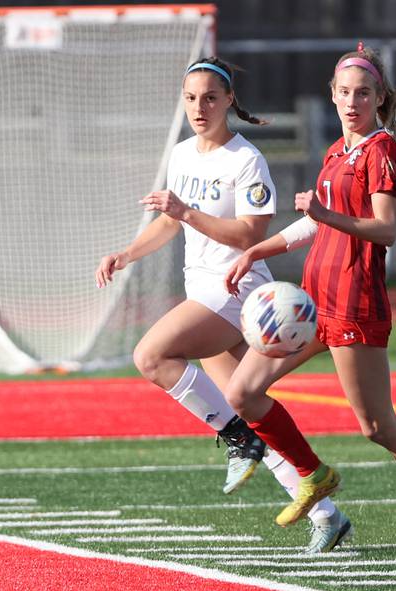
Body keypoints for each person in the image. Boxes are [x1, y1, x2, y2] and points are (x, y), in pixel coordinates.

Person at [94, 57, 351, 554]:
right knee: (248, 404)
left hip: (237, 291)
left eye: (210, 97)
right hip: (203, 291)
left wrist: (184, 210)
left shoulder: (245, 159)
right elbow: (171, 224)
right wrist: (127, 253)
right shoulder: (183, 153)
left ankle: (240, 439)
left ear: (229, 100)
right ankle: (326, 513)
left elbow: (250, 233)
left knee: (151, 356)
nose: (199, 107)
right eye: (191, 98)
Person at [223, 44, 396, 555]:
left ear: (379, 97)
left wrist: (326, 215)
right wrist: (256, 250)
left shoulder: (383, 151)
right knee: (244, 393)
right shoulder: (337, 150)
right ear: (332, 96)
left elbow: (385, 230)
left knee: (377, 427)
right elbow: (315, 219)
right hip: (311, 302)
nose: (352, 101)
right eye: (344, 92)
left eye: (363, 92)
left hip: (355, 305)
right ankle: (314, 475)